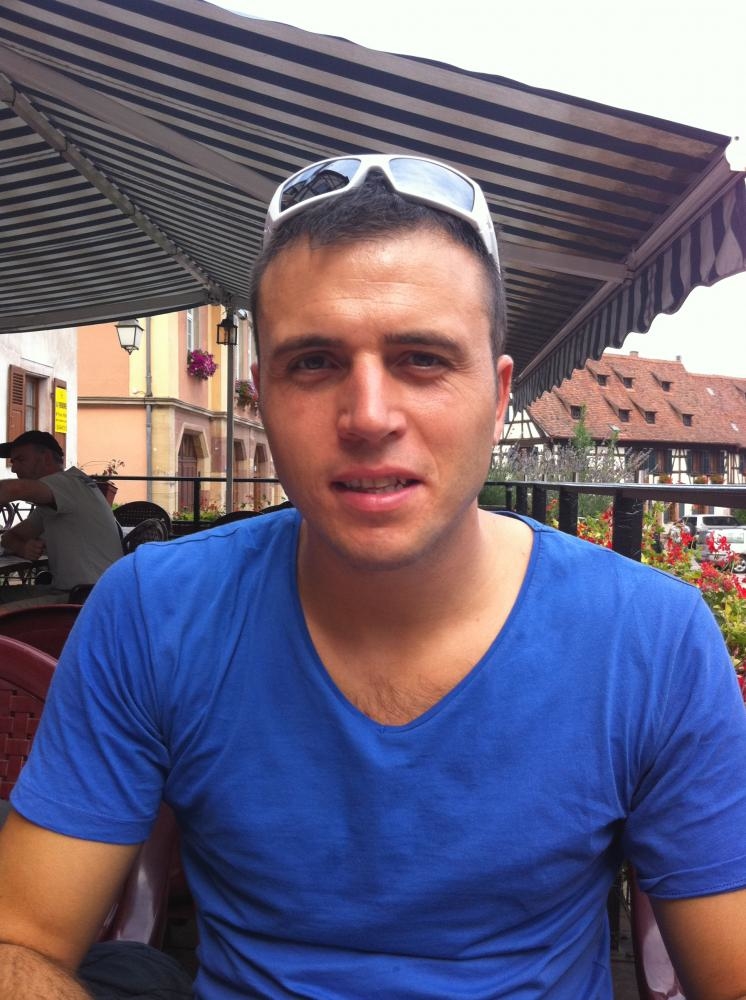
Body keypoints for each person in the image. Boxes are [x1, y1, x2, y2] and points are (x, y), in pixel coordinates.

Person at [1, 154, 746, 1000]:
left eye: (422, 359)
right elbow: (20, 941)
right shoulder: (153, 612)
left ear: (498, 397)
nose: (368, 417)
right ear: (262, 397)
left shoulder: (648, 641)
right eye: (313, 363)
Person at [0, 430, 123, 605]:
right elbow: (9, 538)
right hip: (77, 592)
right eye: (13, 462)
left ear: (46, 458)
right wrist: (22, 547)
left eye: (20, 460)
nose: (14, 468)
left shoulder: (67, 483)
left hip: (88, 600)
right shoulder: (57, 499)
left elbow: (11, 490)